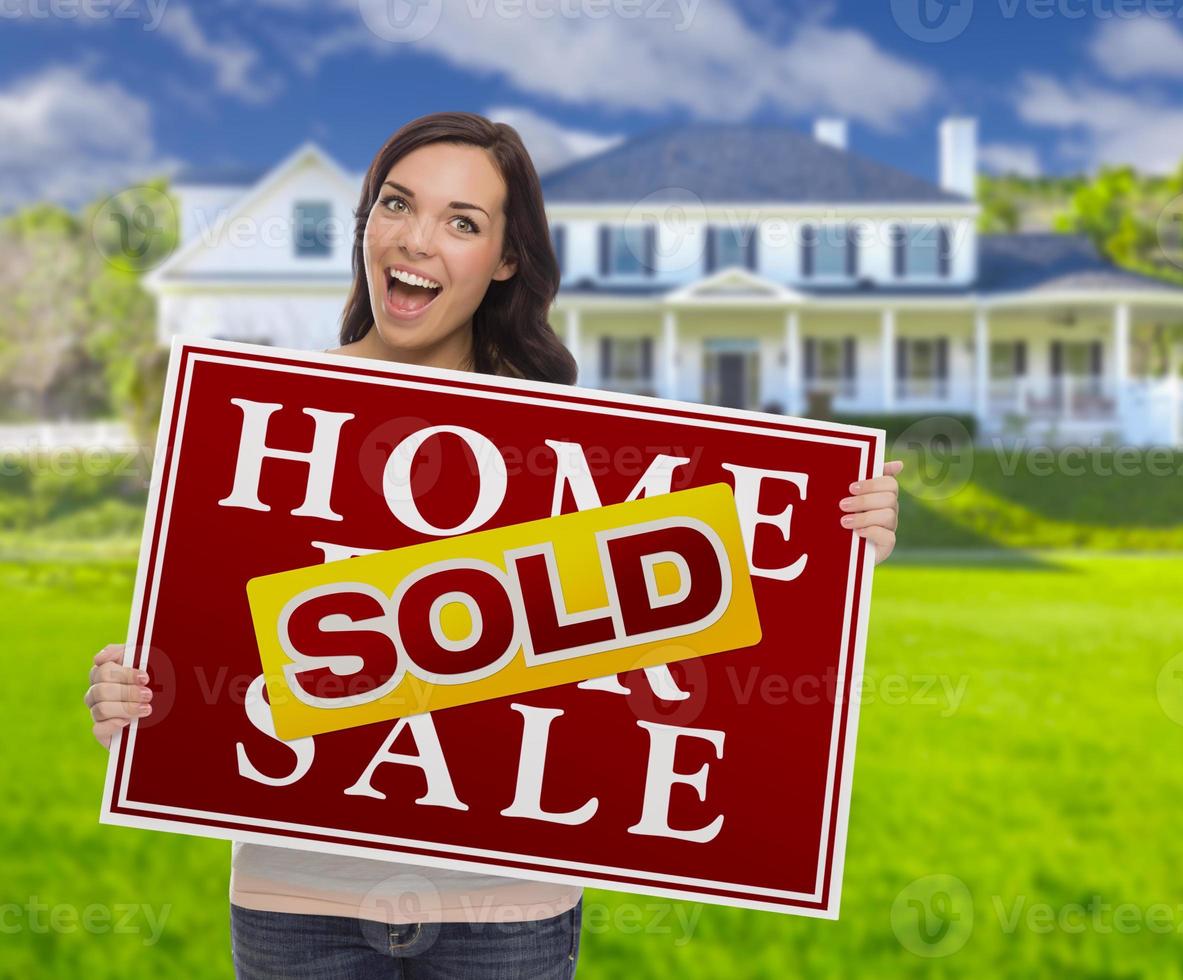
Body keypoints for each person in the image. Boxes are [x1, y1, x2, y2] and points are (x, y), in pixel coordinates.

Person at [83, 111, 903, 978]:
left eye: (462, 221)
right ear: (368, 223)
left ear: (506, 259)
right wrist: (135, 702)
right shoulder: (255, 428)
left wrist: (837, 538)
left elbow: (684, 611)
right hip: (299, 906)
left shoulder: (569, 448)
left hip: (504, 917)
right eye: (397, 205)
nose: (419, 239)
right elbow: (211, 651)